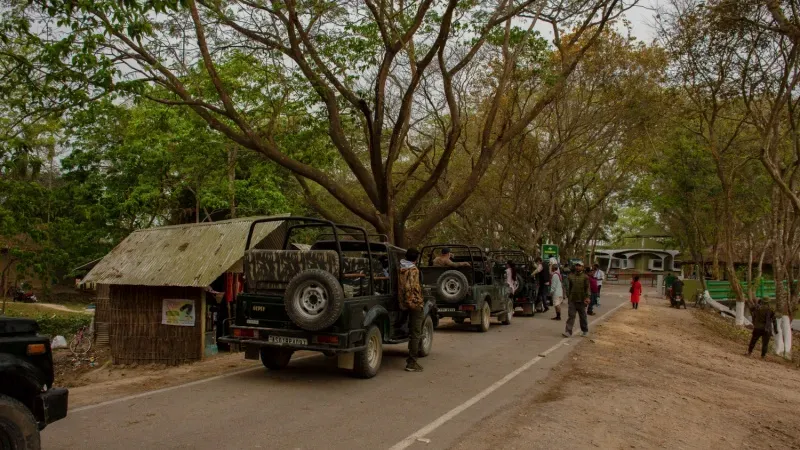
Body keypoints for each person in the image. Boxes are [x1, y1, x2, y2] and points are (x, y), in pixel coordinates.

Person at [399, 248, 425, 372]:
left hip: (402, 302)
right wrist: (415, 302)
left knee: (412, 331)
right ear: (416, 259)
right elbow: (411, 287)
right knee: (416, 333)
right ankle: (412, 362)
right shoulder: (413, 270)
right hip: (413, 303)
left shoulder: (399, 268)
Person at [562, 261, 590, 337]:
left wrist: (587, 298)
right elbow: (568, 288)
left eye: (579, 266)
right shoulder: (570, 276)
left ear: (582, 267)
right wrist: (568, 296)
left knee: (583, 316)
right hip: (572, 300)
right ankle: (568, 331)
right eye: (576, 265)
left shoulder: (585, 277)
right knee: (571, 316)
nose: (577, 267)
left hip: (582, 300)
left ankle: (584, 330)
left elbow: (587, 288)